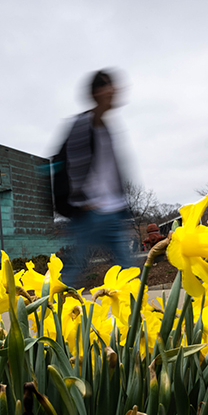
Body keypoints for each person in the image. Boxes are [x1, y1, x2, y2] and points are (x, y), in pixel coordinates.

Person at [60, 69, 132, 287]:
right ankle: (51, 310)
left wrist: (122, 206)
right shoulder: (83, 125)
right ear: (96, 93)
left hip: (112, 212)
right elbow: (73, 166)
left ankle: (134, 315)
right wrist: (81, 202)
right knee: (74, 269)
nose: (114, 90)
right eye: (107, 85)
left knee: (127, 271)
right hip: (89, 214)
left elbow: (111, 173)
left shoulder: (107, 129)